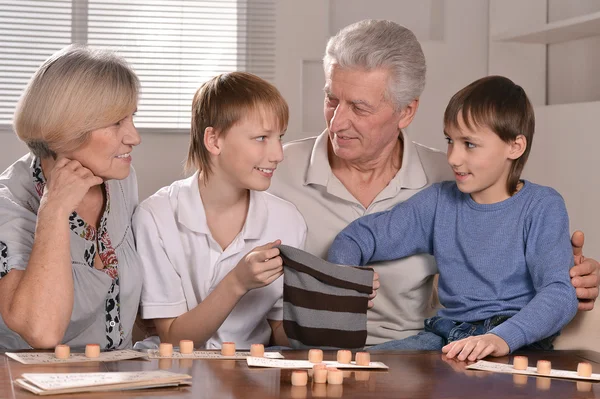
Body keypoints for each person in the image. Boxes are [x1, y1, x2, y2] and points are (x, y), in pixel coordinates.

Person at [268, 19, 599, 348]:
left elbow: (554, 288)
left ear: (406, 112)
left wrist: (574, 280)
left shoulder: (456, 179)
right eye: (331, 99)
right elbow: (359, 236)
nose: (337, 122)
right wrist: (345, 279)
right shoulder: (270, 169)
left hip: (464, 346)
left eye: (360, 107)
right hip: (334, 351)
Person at [328, 75, 578, 360]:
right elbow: (358, 237)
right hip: (447, 337)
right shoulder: (439, 202)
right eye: (450, 140)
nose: (453, 158)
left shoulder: (542, 205)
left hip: (516, 342)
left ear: (515, 147)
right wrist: (345, 275)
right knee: (353, 365)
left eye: (469, 144)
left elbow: (559, 293)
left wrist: (501, 339)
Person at [133, 72, 307, 349]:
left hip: (251, 378)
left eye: (280, 137)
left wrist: (333, 313)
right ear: (214, 141)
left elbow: (279, 330)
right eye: (261, 137)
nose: (278, 154)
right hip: (175, 372)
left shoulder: (288, 221)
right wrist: (237, 282)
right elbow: (175, 340)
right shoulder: (155, 216)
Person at [0, 45, 142, 349]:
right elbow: (41, 332)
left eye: (132, 117)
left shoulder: (120, 180)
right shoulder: (9, 204)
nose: (134, 137)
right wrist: (54, 209)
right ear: (67, 127)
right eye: (117, 122)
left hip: (120, 383)